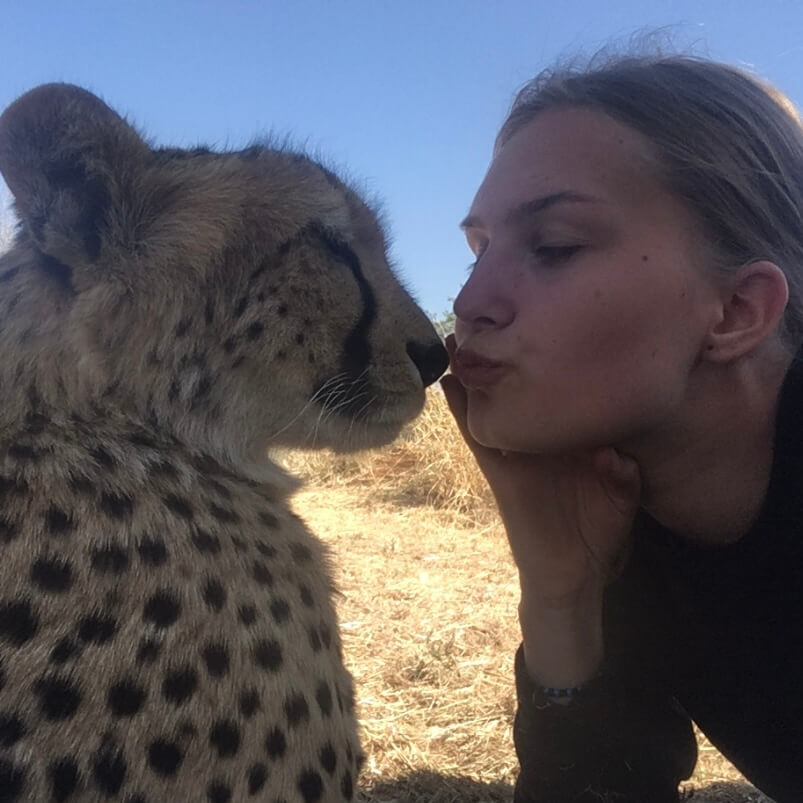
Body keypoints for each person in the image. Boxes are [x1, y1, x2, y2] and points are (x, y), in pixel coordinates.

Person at [441, 52, 803, 803]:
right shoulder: (624, 513)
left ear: (737, 311)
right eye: (477, 250)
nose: (469, 299)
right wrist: (560, 593)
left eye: (555, 246)